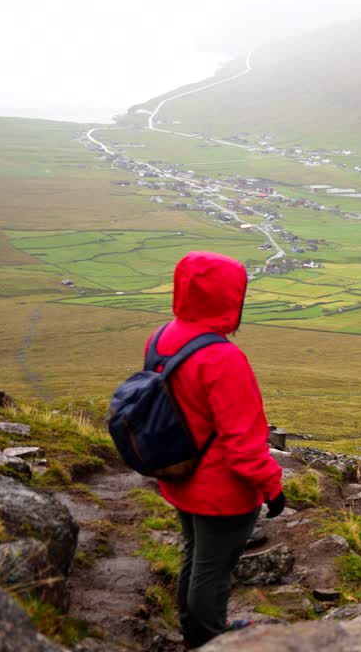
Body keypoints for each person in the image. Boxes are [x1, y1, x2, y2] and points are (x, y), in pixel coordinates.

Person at [146, 251, 286, 648]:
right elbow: (244, 447)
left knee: (195, 555)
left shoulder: (163, 336)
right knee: (215, 567)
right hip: (222, 490)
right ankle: (210, 640)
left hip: (179, 475)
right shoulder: (223, 358)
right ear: (229, 299)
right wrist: (272, 488)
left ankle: (193, 628)